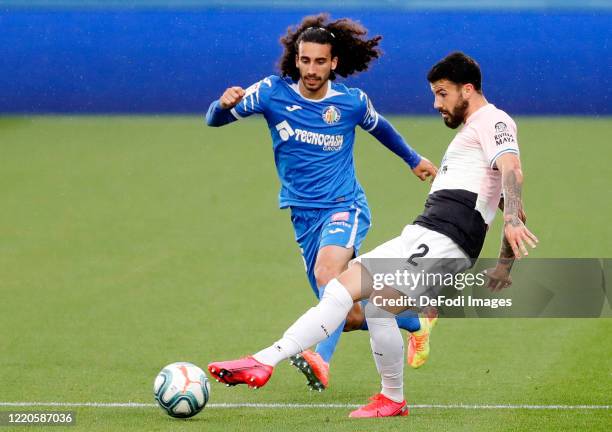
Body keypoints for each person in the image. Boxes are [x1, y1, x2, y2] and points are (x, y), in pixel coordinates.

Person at [207, 52, 539, 418]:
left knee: (347, 292)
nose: (436, 103)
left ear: (468, 89)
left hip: (444, 236)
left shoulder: (492, 120)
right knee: (369, 304)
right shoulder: (473, 132)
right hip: (429, 234)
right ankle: (391, 398)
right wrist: (505, 265)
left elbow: (513, 171)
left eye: (442, 94)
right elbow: (511, 199)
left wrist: (509, 223)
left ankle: (263, 361)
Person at [205, 14, 438, 390]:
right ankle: (415, 320)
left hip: (346, 205)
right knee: (344, 313)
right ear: (296, 60)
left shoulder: (350, 102)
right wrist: (222, 103)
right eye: (305, 60)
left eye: (320, 61)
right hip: (303, 215)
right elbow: (213, 121)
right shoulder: (270, 93)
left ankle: (320, 359)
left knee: (329, 277)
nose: (312, 70)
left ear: (334, 63)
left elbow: (382, 128)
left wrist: (414, 160)